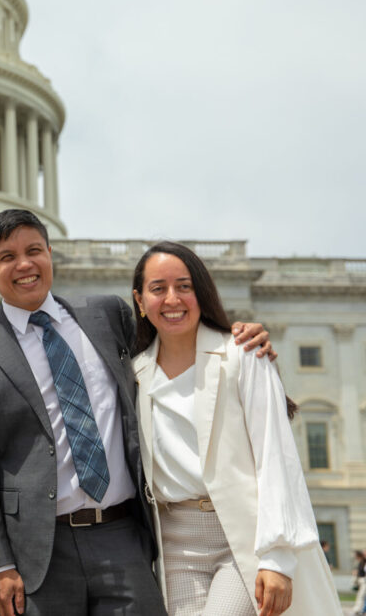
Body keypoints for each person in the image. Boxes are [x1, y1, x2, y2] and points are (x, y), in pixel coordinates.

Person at [0, 209, 272, 616]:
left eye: (34, 250)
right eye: (7, 257)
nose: (25, 265)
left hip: (122, 533)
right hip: (38, 547)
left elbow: (176, 350)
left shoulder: (107, 314)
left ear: (51, 253)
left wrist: (237, 340)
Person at [132, 241, 341, 616]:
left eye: (184, 286)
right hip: (174, 545)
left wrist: (276, 557)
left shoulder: (245, 354)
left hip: (241, 536)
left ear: (202, 292)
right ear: (140, 301)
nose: (172, 299)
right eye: (158, 289)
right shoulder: (135, 374)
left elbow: (274, 456)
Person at [354, 550, 366, 614]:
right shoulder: (362, 562)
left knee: (361, 595)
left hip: (364, 580)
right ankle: (360, 609)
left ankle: (359, 609)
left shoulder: (363, 561)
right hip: (362, 580)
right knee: (361, 595)